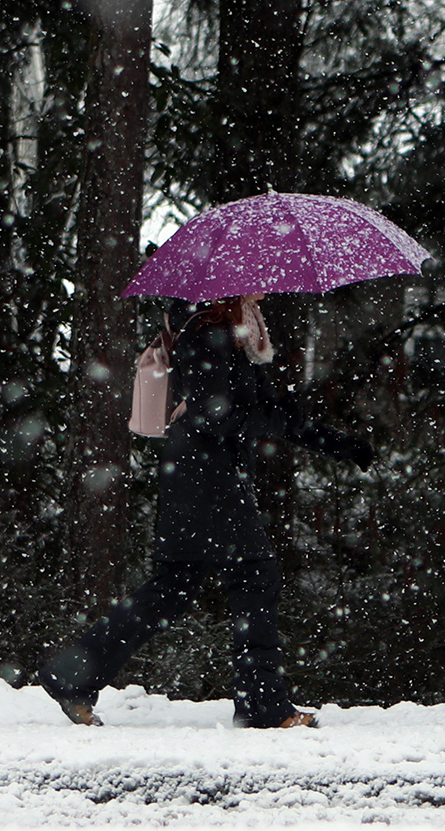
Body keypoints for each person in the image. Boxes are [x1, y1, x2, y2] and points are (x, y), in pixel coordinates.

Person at [35, 294, 375, 728]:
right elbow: (216, 416)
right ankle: (262, 705)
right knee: (255, 576)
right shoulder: (207, 334)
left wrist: (340, 444)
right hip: (206, 475)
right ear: (232, 287)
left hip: (198, 473)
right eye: (257, 281)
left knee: (172, 588)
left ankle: (71, 676)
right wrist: (262, 414)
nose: (265, 290)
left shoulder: (236, 337)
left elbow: (265, 413)